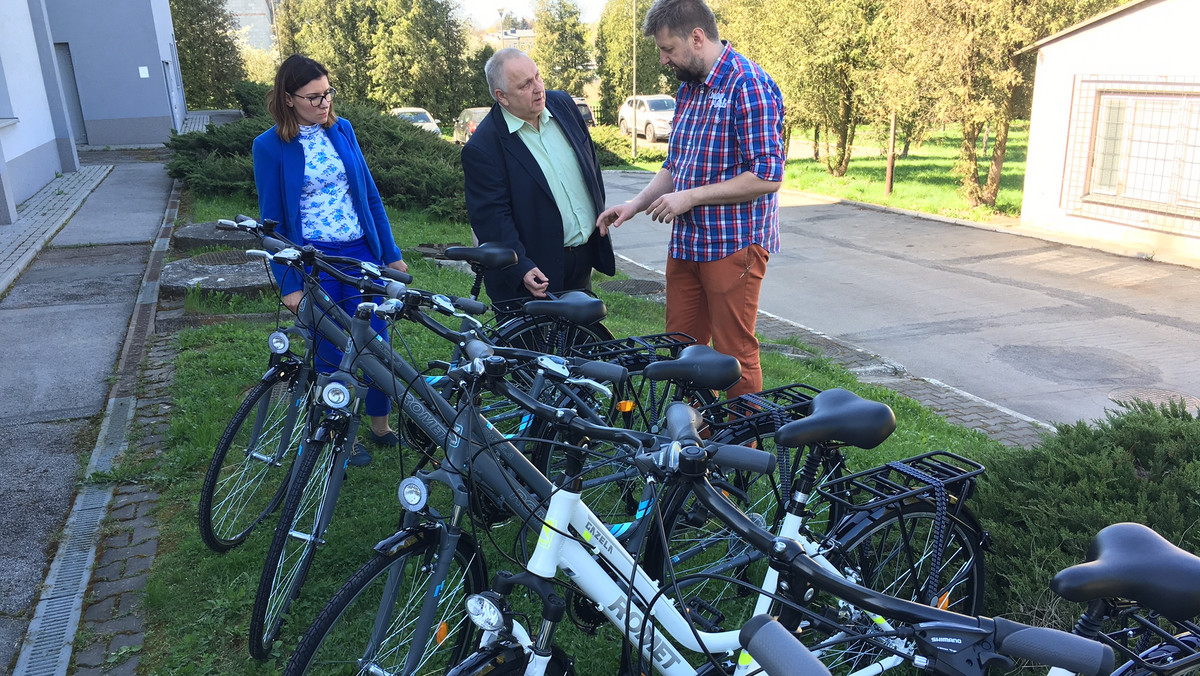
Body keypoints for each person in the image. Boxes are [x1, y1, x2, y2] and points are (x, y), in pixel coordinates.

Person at [595, 0, 784, 398]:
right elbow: (674, 165)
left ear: (697, 38)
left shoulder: (749, 84)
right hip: (687, 244)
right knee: (681, 349)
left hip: (733, 246)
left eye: (668, 50)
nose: (664, 60)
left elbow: (768, 175)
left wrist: (691, 198)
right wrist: (635, 205)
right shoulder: (688, 89)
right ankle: (693, 447)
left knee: (734, 354)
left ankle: (740, 455)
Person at [252, 54, 408, 465]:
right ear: (288, 99)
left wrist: (390, 255)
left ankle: (379, 424)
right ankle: (338, 434)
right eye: (313, 97)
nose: (324, 104)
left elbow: (369, 196)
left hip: (361, 253)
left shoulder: (342, 130)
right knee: (329, 348)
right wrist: (288, 282)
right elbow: (272, 223)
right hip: (315, 260)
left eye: (327, 94)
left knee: (376, 340)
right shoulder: (269, 147)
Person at [462, 48, 614, 305]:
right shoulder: (483, 147)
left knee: (580, 343)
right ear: (502, 97)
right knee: (531, 347)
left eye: (538, 77)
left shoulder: (563, 105)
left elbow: (591, 165)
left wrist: (598, 212)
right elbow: (492, 218)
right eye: (525, 85)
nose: (538, 88)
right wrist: (520, 266)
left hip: (582, 260)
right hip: (530, 276)